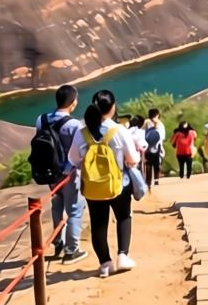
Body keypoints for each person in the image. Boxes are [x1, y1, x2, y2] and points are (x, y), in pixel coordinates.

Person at [68, 89, 140, 278]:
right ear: (112, 107)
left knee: (98, 224)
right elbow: (133, 158)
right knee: (123, 217)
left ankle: (105, 264)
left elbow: (73, 158)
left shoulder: (81, 133)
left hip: (92, 187)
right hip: (118, 185)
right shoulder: (119, 131)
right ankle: (123, 256)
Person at [33, 84, 87, 264]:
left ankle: (59, 244)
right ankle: (72, 251)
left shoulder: (41, 120)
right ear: (73, 103)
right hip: (70, 174)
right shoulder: (74, 125)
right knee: (74, 210)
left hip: (50, 174)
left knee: (57, 207)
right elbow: (79, 152)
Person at [144, 108, 166, 187]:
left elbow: (142, 134)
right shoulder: (161, 124)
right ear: (157, 115)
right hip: (158, 147)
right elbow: (162, 137)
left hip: (147, 147)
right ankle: (156, 180)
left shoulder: (146, 123)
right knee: (156, 164)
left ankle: (148, 181)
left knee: (148, 164)